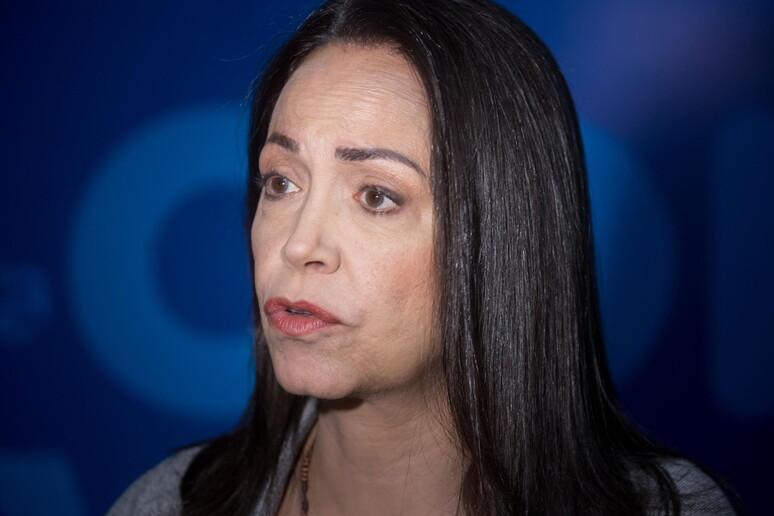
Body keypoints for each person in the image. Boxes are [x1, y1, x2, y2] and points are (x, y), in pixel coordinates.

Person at [108, 0, 737, 514]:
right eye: (281, 182)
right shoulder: (170, 504)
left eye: (376, 196)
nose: (298, 244)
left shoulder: (669, 509)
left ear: (503, 234)